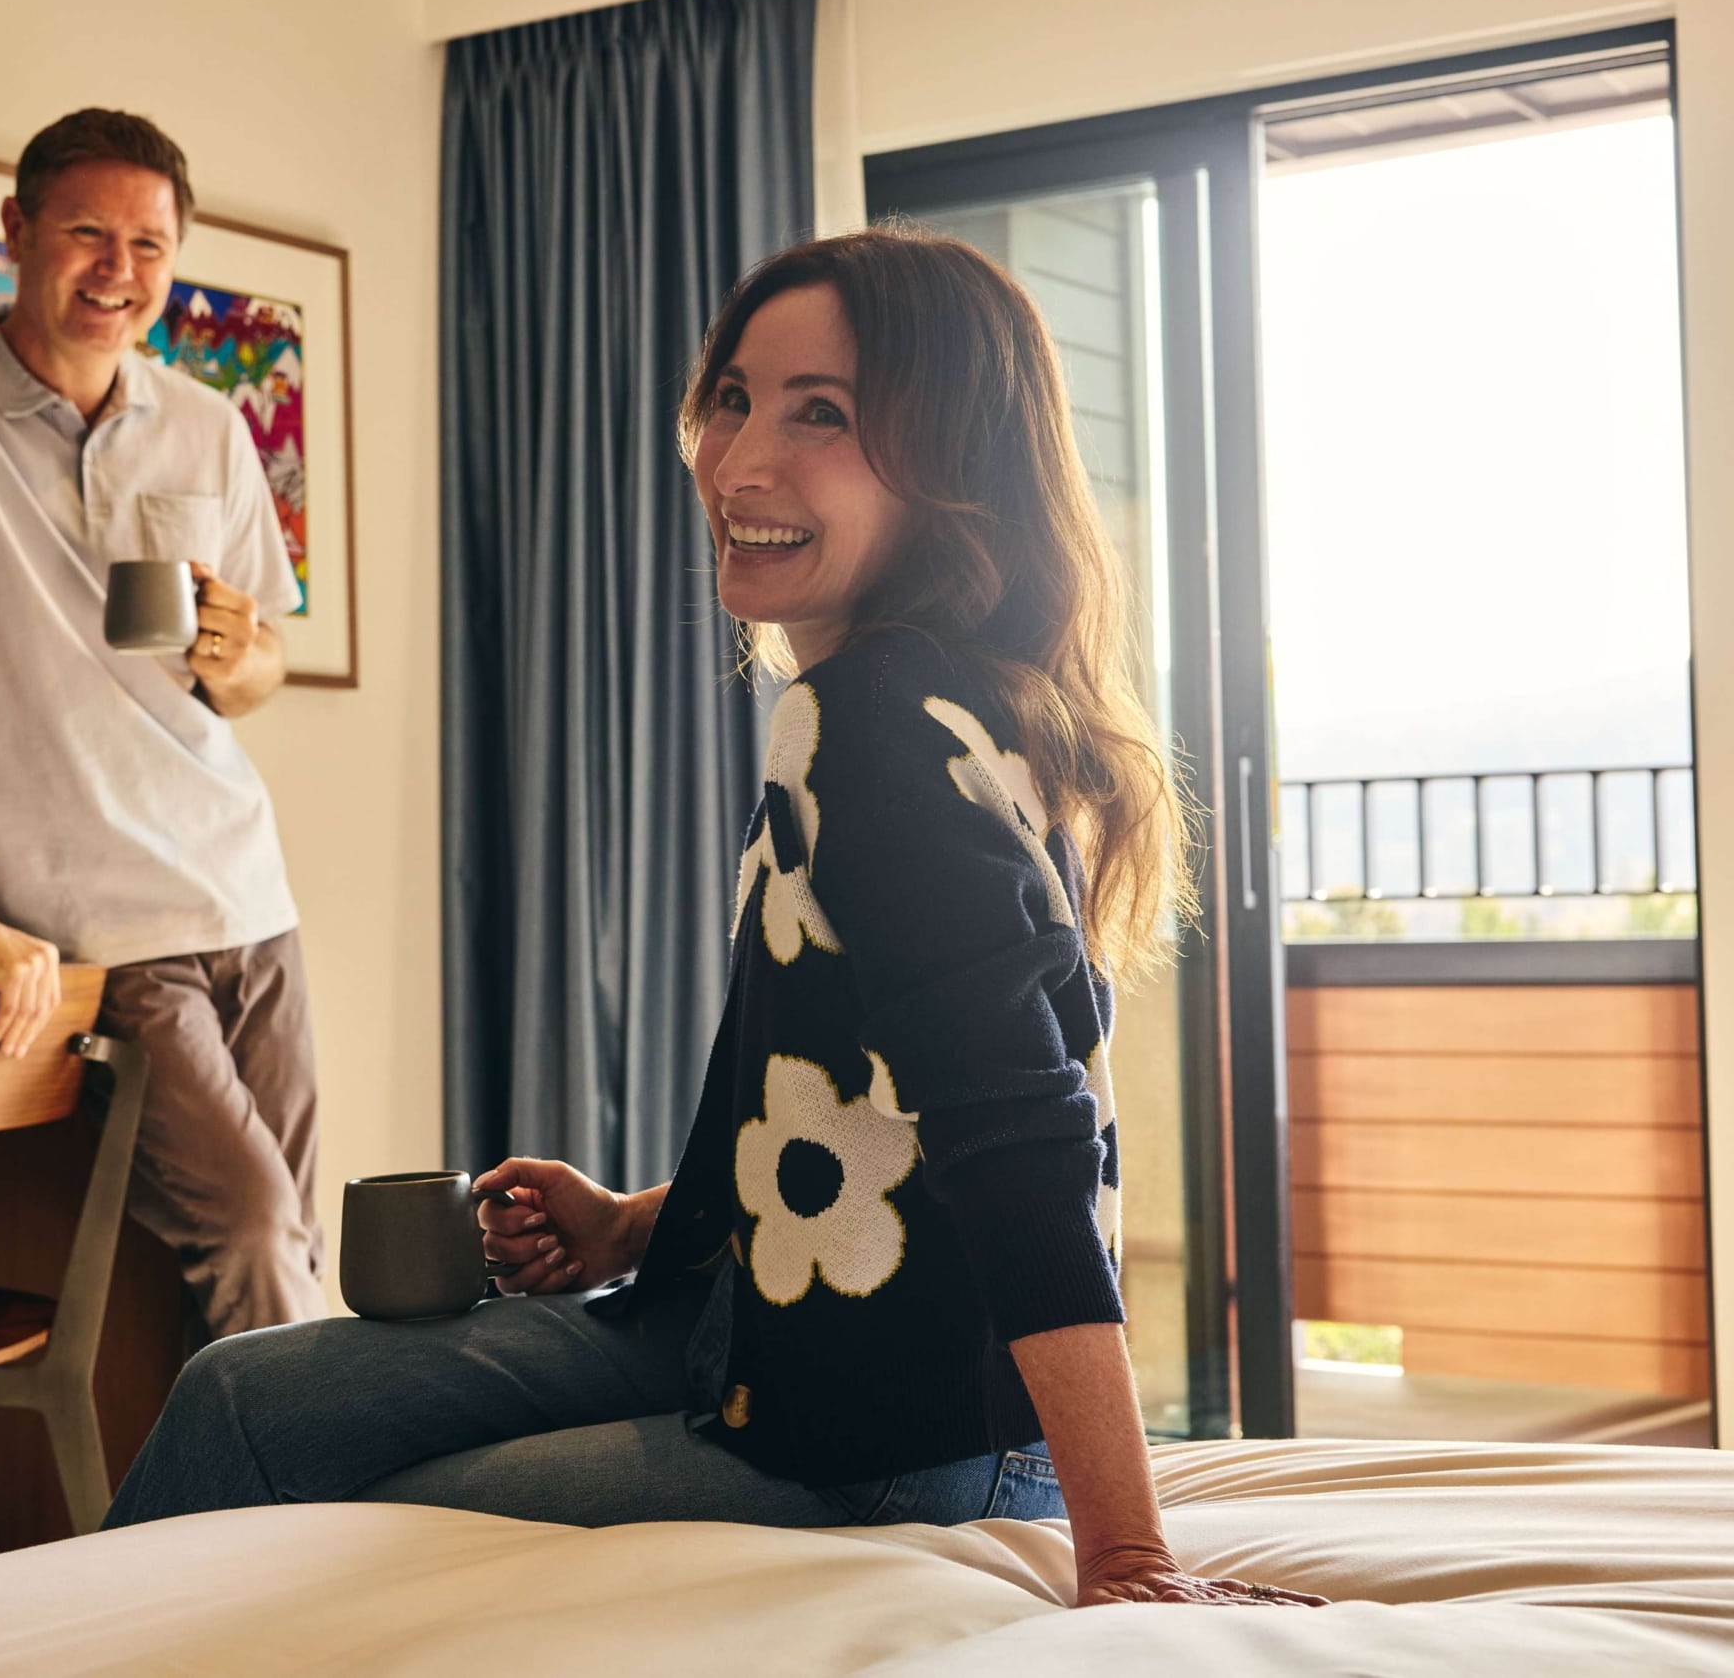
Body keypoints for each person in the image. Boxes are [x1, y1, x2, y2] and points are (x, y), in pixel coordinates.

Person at [102, 225, 1325, 1610]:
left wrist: (1129, 1556)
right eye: (733, 399)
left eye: (825, 416)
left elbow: (1014, 1133)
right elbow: (862, 1108)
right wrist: (635, 1227)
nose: (739, 463)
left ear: (953, 463)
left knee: (338, 1517)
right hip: (745, 1332)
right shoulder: (940, 697)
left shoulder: (868, 717)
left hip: (895, 1438)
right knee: (245, 1396)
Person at [0, 108, 324, 1338]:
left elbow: (260, 673)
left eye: (149, 246)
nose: (119, 270)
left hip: (249, 893)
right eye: (87, 234)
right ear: (17, 233)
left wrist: (238, 650)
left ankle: (282, 1510)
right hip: (105, 926)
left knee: (299, 1232)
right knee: (255, 1227)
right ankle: (311, 1523)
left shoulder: (209, 426)